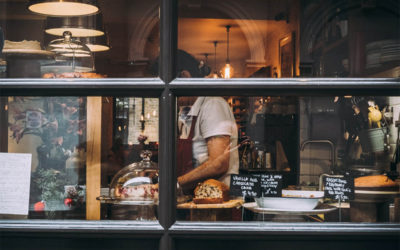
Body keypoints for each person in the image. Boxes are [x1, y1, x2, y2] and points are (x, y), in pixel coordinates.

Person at [177, 96, 239, 189]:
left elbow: (219, 164)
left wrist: (177, 183)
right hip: (192, 195)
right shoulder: (185, 110)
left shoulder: (213, 105)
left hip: (217, 197)